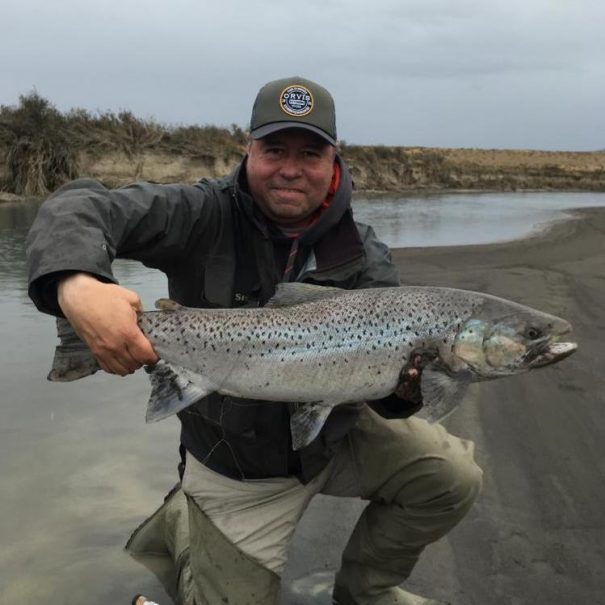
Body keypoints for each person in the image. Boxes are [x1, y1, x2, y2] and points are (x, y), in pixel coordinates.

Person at [26, 76, 482, 605]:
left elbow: (381, 391)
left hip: (330, 439)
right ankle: (185, 524)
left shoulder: (362, 254)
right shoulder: (200, 213)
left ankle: (366, 592)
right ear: (249, 150)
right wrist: (77, 285)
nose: (291, 168)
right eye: (274, 150)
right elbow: (78, 206)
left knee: (452, 478)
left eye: (309, 153)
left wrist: (404, 390)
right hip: (235, 467)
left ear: (334, 161)